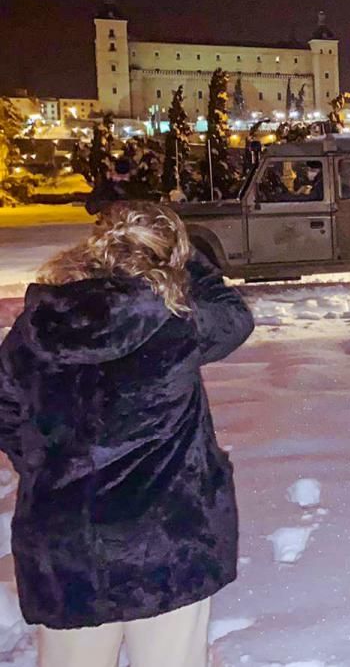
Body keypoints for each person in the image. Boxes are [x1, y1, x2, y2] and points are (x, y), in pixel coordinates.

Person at [0, 203, 254, 667]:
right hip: (166, 541)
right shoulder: (174, 322)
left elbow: (6, 411)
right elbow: (236, 318)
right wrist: (189, 260)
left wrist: (49, 467)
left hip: (66, 542)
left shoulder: (37, 326)